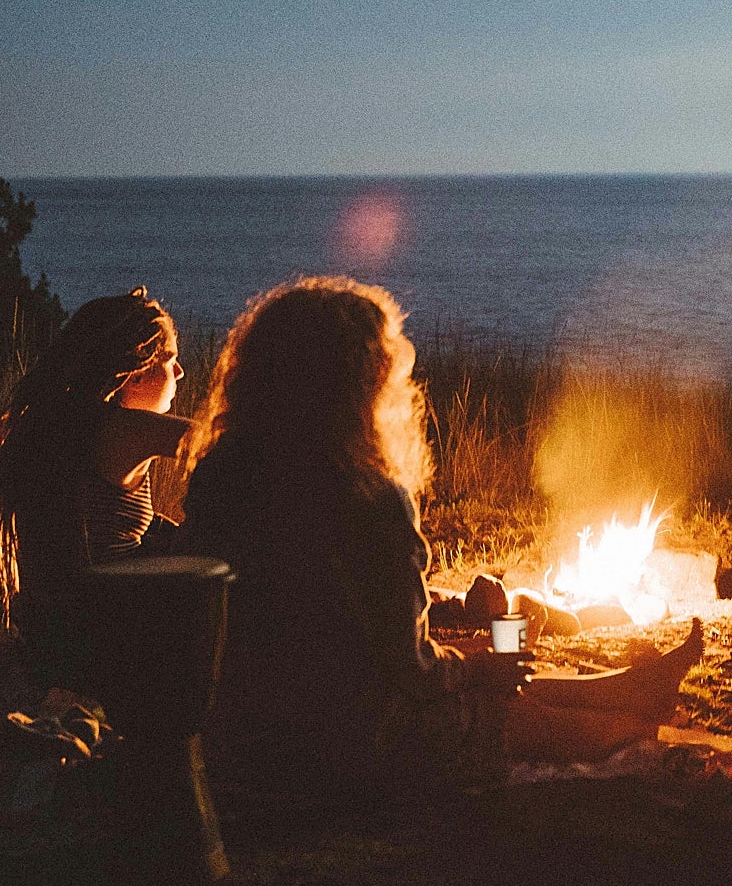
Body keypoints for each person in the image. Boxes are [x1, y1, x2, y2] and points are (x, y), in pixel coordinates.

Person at [176, 276, 701, 797]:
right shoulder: (368, 499)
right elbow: (412, 673)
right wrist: (476, 664)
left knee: (488, 669)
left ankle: (623, 687)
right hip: (351, 746)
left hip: (245, 733)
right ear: (361, 386)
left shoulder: (219, 478)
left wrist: (467, 658)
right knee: (537, 706)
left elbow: (335, 639)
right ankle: (625, 722)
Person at [0, 287, 189, 681]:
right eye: (171, 359)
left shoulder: (57, 425)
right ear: (136, 370)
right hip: (107, 633)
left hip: (56, 634)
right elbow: (226, 449)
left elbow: (99, 528)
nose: (179, 373)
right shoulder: (119, 428)